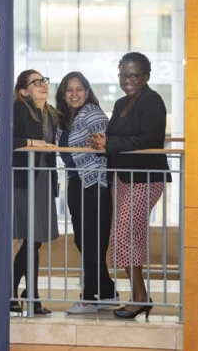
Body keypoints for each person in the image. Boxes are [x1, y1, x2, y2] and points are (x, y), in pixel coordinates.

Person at [88, 52, 171, 320]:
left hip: (145, 178)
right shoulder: (122, 102)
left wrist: (110, 144)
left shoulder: (152, 101)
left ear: (146, 76)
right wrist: (103, 139)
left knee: (123, 234)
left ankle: (139, 298)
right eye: (123, 75)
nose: (127, 80)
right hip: (122, 177)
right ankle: (140, 296)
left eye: (133, 75)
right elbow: (117, 135)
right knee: (128, 235)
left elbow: (150, 140)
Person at [55, 72, 118, 314]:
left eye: (79, 89)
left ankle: (89, 296)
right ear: (63, 94)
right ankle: (108, 292)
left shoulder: (91, 112)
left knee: (93, 240)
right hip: (76, 183)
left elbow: (105, 141)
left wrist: (101, 141)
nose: (74, 94)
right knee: (84, 240)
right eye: (69, 90)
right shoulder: (64, 119)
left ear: (87, 91)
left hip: (96, 183)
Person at [10, 69, 59, 315]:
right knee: (31, 238)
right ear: (24, 91)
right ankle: (29, 295)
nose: (43, 85)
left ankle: (23, 293)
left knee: (35, 239)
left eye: (44, 81)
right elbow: (6, 138)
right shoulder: (19, 108)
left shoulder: (50, 114)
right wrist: (33, 143)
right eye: (36, 82)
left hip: (43, 179)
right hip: (24, 179)